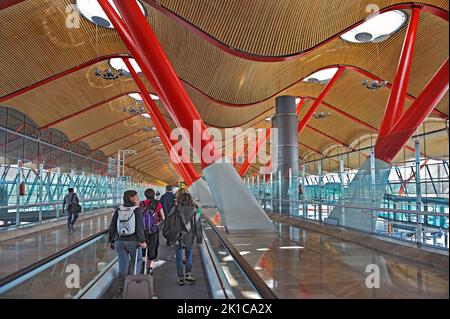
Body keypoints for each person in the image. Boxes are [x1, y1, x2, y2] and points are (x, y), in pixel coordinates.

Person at [108, 190, 147, 294]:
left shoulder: (119, 210)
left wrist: (111, 240)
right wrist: (143, 241)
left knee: (123, 265)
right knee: (136, 262)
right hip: (133, 241)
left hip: (119, 241)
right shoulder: (137, 210)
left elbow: (112, 226)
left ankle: (121, 287)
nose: (137, 198)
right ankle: (132, 286)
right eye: (136, 196)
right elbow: (139, 227)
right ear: (130, 198)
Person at [171, 192, 203, 286]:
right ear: (190, 199)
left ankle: (180, 278)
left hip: (177, 236)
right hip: (189, 236)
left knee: (179, 258)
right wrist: (199, 238)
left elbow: (169, 221)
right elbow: (197, 225)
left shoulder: (175, 208)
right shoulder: (194, 209)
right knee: (189, 255)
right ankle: (188, 274)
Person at [140, 188, 165, 274]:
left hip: (143, 230)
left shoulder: (141, 203)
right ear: (154, 194)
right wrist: (158, 223)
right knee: (153, 247)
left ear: (145, 195)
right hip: (154, 230)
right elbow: (163, 217)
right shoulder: (157, 203)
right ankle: (150, 267)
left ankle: (145, 265)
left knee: (144, 246)